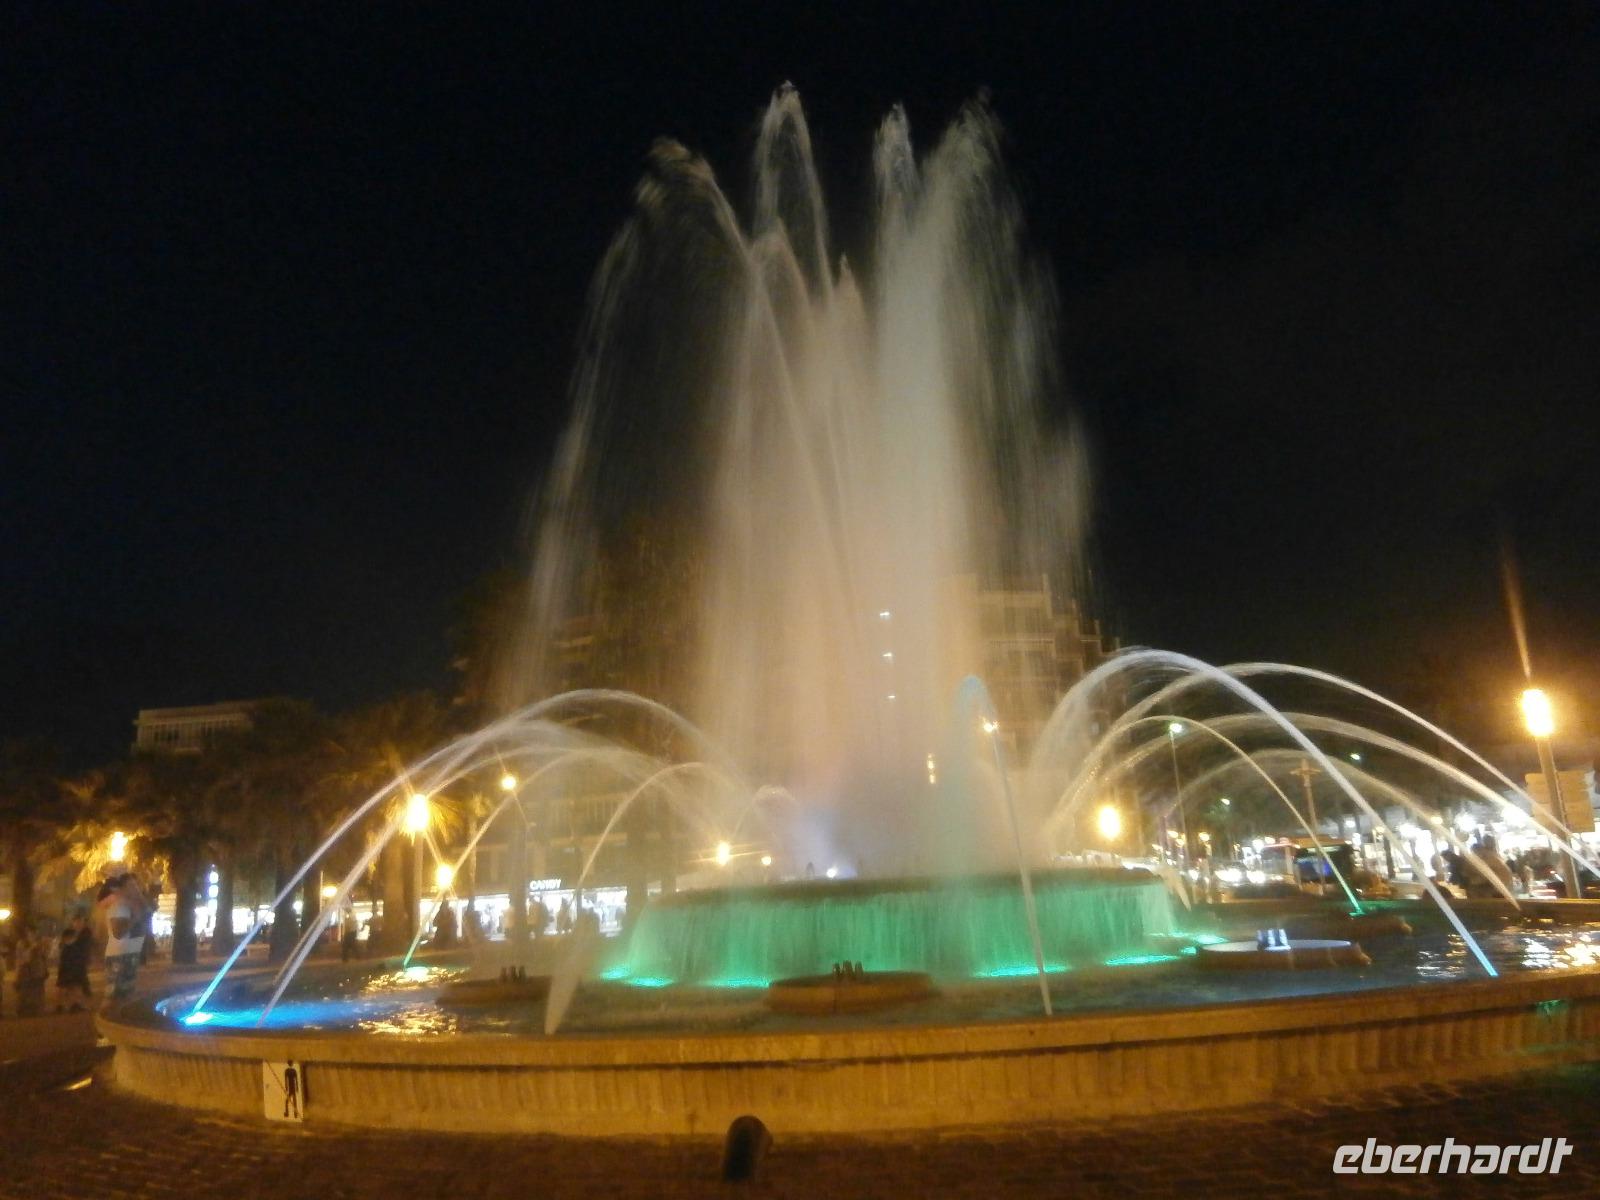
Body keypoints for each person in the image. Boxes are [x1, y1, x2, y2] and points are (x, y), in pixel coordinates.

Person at [97, 873, 149, 1004]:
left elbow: (147, 910)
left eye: (137, 885)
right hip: (119, 954)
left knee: (126, 995)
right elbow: (118, 933)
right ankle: (105, 1022)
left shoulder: (129, 904)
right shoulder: (118, 905)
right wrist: (135, 918)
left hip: (129, 952)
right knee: (114, 995)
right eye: (132, 885)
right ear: (122, 888)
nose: (136, 888)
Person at [55, 909, 94, 1011]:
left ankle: (74, 1003)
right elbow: (63, 945)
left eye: (80, 921)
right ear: (73, 922)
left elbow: (84, 947)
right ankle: (61, 1005)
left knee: (76, 984)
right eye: (76, 921)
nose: (78, 924)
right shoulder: (71, 933)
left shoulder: (85, 933)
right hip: (68, 962)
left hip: (78, 962)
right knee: (64, 984)